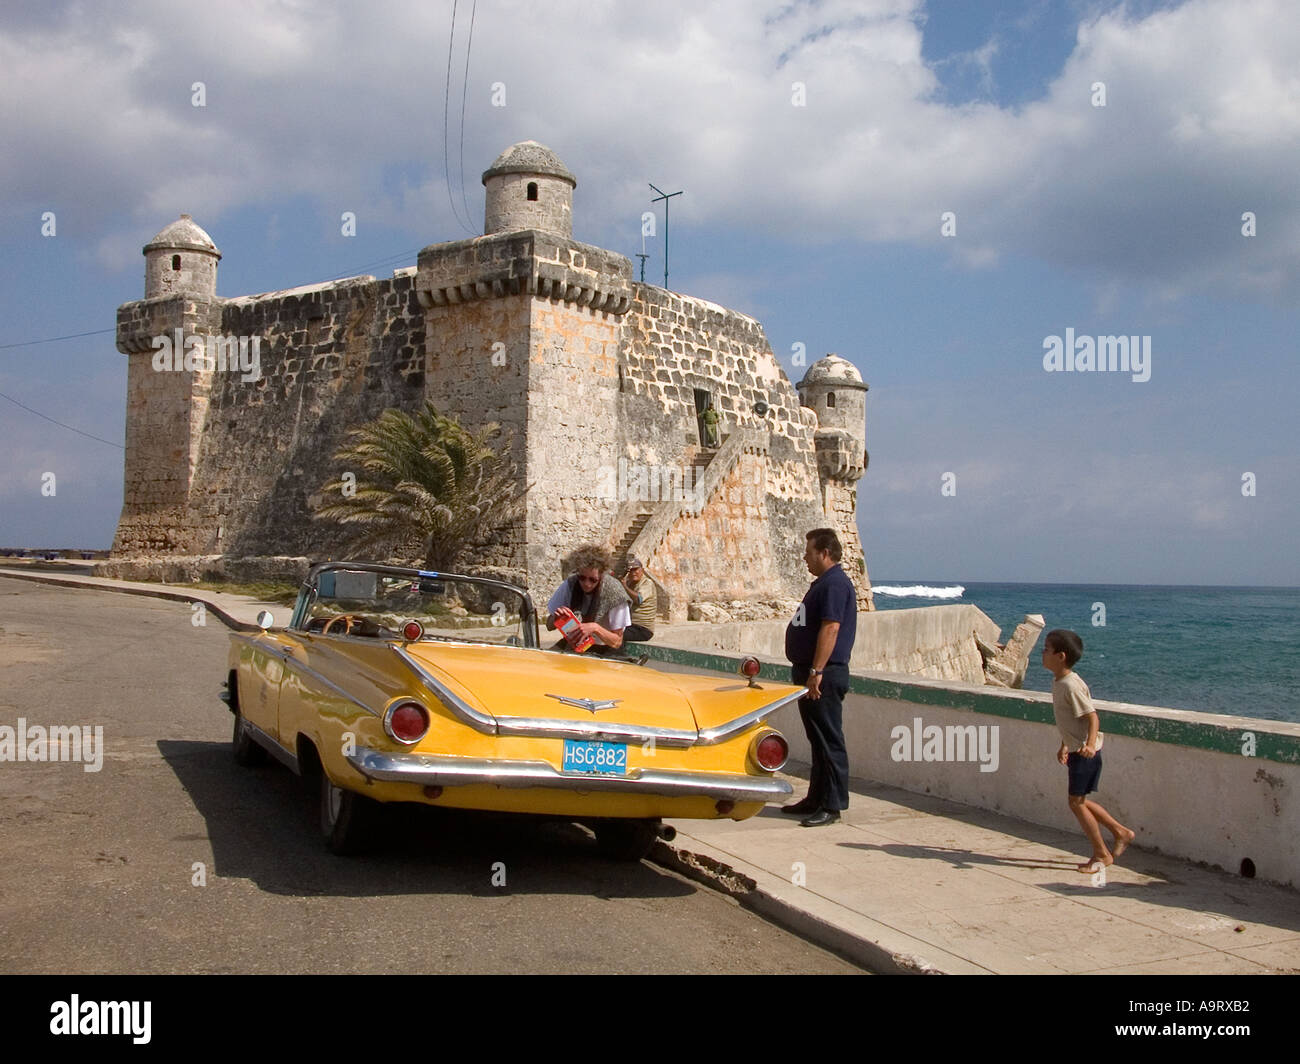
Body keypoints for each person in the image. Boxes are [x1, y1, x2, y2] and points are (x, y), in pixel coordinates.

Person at [1042, 628, 1135, 873]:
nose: (1042, 654)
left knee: (1076, 803)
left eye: (1046, 650)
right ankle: (1120, 832)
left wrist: (1089, 745)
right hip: (1076, 750)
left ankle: (1102, 854)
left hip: (1085, 754)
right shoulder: (1059, 681)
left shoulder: (1071, 685)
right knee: (1079, 801)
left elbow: (1092, 718)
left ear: (1061, 656)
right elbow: (1073, 722)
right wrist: (1064, 744)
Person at [782, 528, 857, 827]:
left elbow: (831, 628)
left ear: (824, 553)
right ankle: (816, 797)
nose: (804, 557)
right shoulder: (824, 583)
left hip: (823, 675)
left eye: (809, 552)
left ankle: (833, 804)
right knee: (817, 739)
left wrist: (816, 671)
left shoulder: (835, 584)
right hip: (812, 672)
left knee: (829, 739)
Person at [545, 544, 632, 658]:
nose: (586, 584)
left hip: (605, 649)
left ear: (601, 575)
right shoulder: (570, 584)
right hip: (575, 644)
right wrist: (556, 618)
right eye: (582, 578)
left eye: (593, 580)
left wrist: (595, 628)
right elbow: (548, 625)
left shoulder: (615, 593)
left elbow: (617, 642)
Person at [620, 557, 656, 643]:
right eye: (630, 571)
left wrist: (624, 587)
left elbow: (638, 599)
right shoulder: (629, 583)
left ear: (642, 570)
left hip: (643, 629)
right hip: (630, 625)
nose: (633, 573)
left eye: (636, 570)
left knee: (616, 634)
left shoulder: (647, 583)